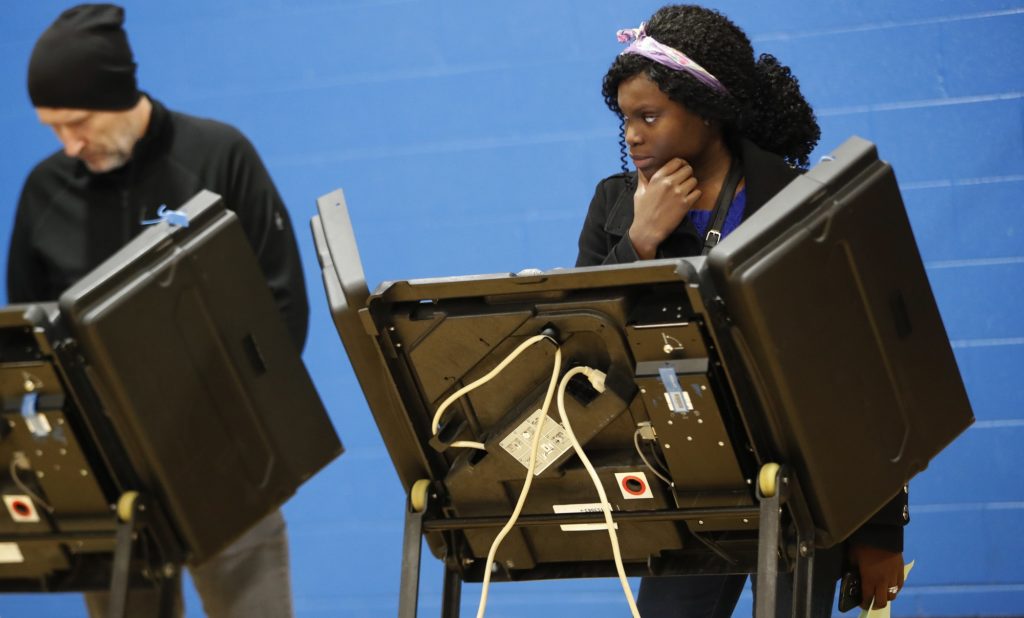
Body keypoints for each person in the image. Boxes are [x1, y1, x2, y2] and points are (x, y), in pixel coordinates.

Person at [576, 5, 909, 617]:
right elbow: (583, 341)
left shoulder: (798, 202)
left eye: (649, 117)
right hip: (690, 476)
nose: (633, 135)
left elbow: (862, 370)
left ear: (707, 111)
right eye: (625, 119)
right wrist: (639, 241)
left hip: (807, 481)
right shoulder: (615, 204)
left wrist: (882, 531)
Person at [7, 4, 307, 617]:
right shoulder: (44, 192)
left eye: (78, 121)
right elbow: (25, 347)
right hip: (109, 475)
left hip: (226, 463)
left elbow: (281, 312)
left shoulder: (219, 155)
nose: (69, 144)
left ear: (120, 94)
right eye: (53, 128)